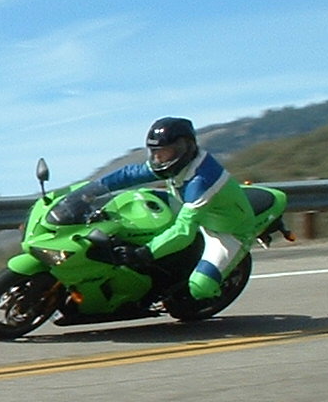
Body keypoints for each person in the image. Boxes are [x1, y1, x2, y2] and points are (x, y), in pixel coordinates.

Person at [92, 116, 258, 301]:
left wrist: (143, 253)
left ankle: (212, 293)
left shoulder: (201, 181)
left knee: (200, 288)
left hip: (226, 231)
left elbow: (183, 231)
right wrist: (91, 189)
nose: (158, 158)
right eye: (155, 151)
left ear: (185, 148)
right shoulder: (172, 163)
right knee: (140, 201)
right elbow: (130, 175)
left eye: (164, 152)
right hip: (193, 211)